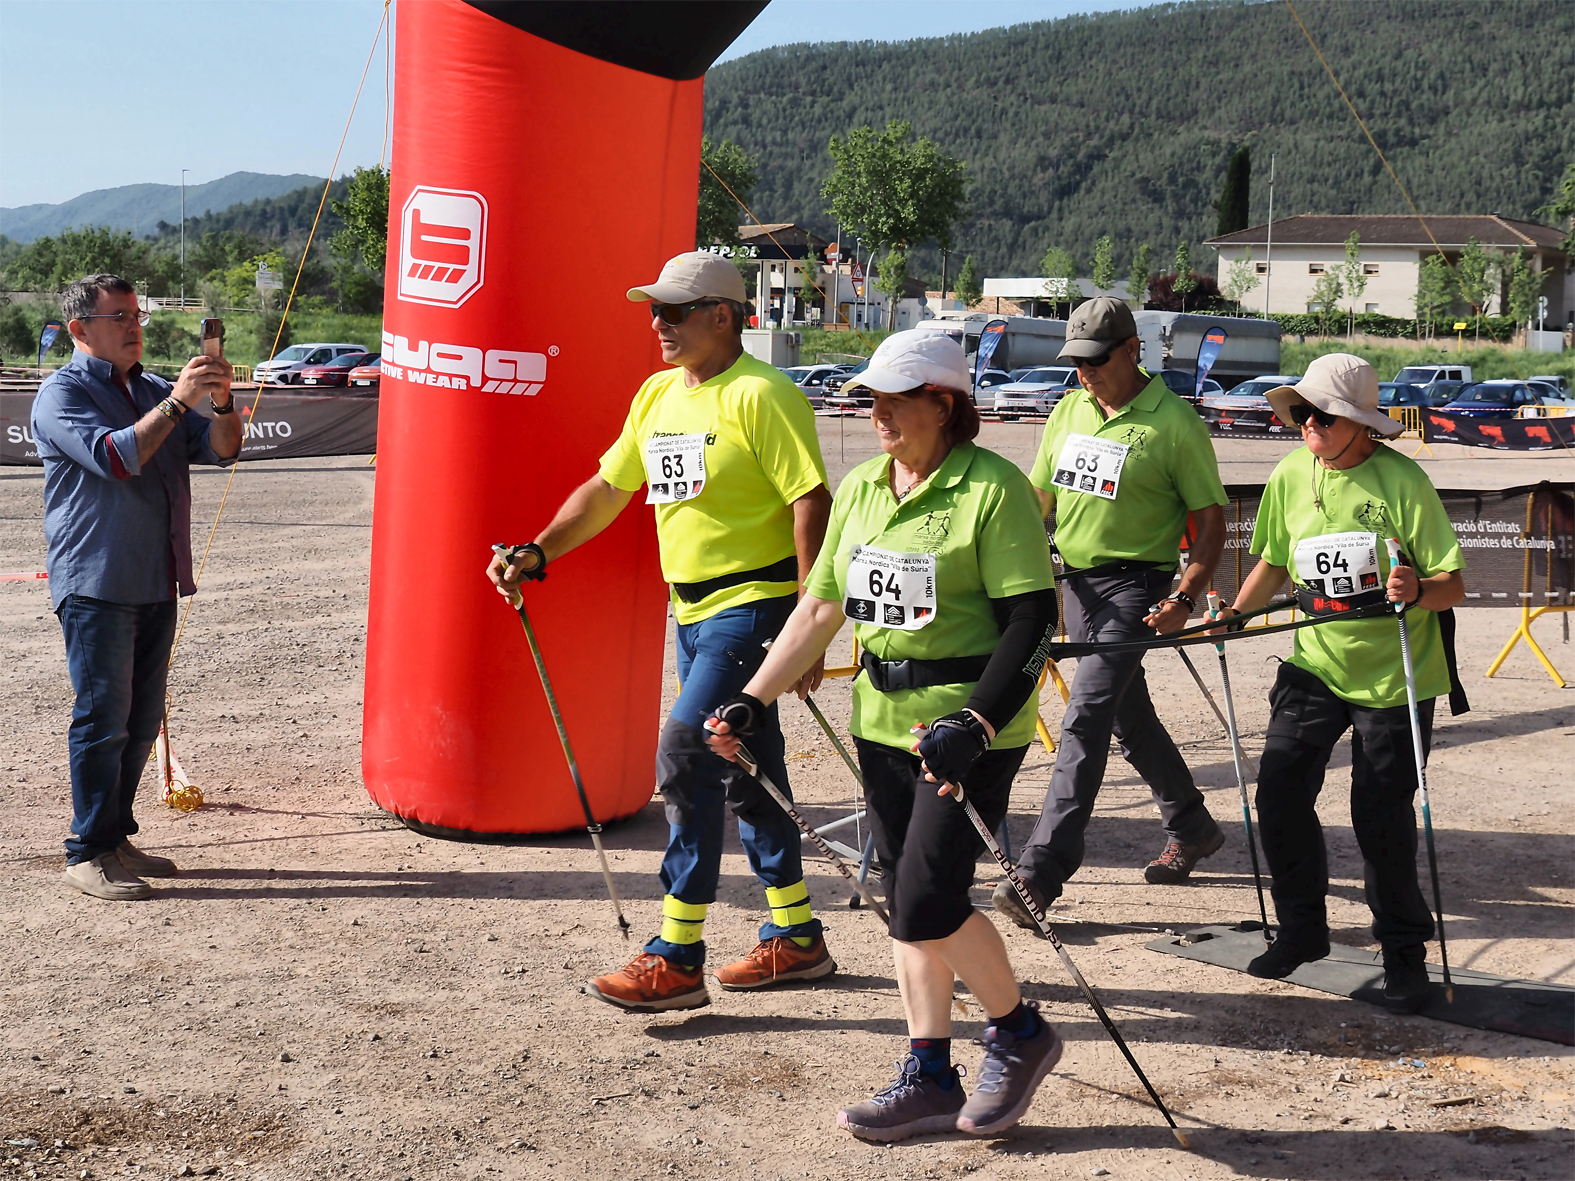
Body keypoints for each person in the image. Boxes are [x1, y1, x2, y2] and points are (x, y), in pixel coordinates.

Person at [707, 330, 1063, 1141]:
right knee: (907, 901)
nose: (877, 412)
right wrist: (750, 701)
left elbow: (1031, 620)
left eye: (894, 398)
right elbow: (820, 606)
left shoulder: (993, 489)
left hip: (966, 726)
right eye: (871, 397)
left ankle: (1018, 1031)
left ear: (943, 404)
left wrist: (973, 721)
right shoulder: (865, 486)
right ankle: (930, 1073)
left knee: (925, 898)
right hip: (881, 720)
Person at [488, 251, 834, 1011]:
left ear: (722, 315)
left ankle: (676, 954)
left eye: (673, 311)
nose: (657, 324)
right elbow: (611, 487)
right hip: (692, 610)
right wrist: (538, 548)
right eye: (653, 309)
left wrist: (810, 622)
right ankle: (798, 937)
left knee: (685, 749)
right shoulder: (655, 394)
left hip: (754, 603)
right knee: (743, 765)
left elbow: (810, 498)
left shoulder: (762, 394)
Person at [1211, 353, 1464, 1013]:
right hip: (1314, 664)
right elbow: (1271, 559)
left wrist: (1417, 586)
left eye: (1321, 414)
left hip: (1393, 675)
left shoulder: (1402, 481)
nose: (1306, 424)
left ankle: (1403, 954)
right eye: (1299, 412)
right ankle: (1301, 930)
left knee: (1379, 817)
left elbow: (1452, 583)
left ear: (1358, 424)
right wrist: (1234, 613)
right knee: (1278, 791)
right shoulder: (1291, 473)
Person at [995, 297, 1230, 929]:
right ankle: (1193, 823)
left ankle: (1041, 871)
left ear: (1132, 350)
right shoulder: (1070, 409)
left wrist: (1187, 593)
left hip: (1136, 588)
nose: (1083, 373)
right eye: (1075, 361)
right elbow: (1041, 499)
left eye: (1096, 360)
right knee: (1128, 718)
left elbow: (1211, 519)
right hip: (1074, 584)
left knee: (1085, 717)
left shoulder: (1174, 424)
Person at [32, 273, 241, 900]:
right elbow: (116, 457)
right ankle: (86, 852)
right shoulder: (60, 393)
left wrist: (223, 402)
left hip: (156, 577)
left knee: (142, 718)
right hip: (96, 579)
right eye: (120, 316)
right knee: (103, 718)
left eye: (137, 316)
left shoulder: (149, 388)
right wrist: (178, 402)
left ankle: (115, 836)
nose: (134, 327)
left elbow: (225, 451)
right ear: (80, 330)